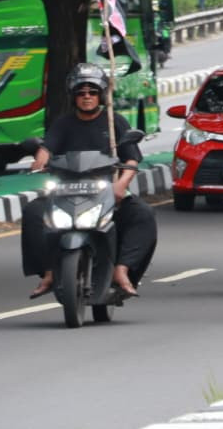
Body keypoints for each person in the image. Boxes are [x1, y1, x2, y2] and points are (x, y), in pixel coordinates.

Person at [23, 64, 155, 299]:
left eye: (92, 92)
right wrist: (40, 158)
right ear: (73, 96)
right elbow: (46, 147)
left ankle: (122, 270)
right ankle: (49, 272)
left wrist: (120, 185)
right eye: (81, 92)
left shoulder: (115, 122)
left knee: (142, 214)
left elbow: (132, 160)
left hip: (105, 188)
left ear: (101, 95)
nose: (86, 97)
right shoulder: (63, 123)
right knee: (34, 212)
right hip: (64, 189)